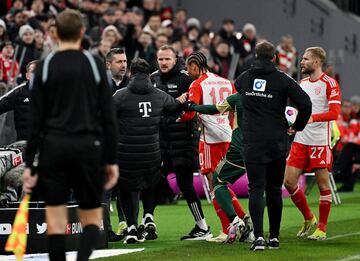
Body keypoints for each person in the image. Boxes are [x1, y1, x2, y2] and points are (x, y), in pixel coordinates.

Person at [22, 10, 119, 261]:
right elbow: (109, 116)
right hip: (88, 147)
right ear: (82, 33)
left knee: (55, 222)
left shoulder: (43, 68)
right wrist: (111, 159)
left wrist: (30, 163)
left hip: (53, 148)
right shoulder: (94, 65)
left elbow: (35, 121)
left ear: (54, 34)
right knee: (91, 218)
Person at [234, 40, 311, 251]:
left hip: (252, 142)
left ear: (255, 57)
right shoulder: (283, 79)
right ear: (275, 58)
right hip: (277, 142)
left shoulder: (244, 78)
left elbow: (237, 87)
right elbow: (305, 104)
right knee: (274, 189)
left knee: (256, 189)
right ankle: (274, 238)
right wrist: (297, 126)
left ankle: (258, 238)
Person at [113, 58, 187, 243]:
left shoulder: (120, 95)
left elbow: (104, 116)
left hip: (126, 154)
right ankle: (148, 217)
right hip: (152, 152)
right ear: (148, 73)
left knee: (126, 189)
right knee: (150, 183)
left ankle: (131, 227)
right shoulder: (158, 94)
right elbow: (175, 107)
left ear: (131, 73)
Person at [181, 51, 245, 242]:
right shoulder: (227, 82)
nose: (187, 71)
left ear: (194, 66)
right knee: (222, 182)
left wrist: (178, 117)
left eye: (188, 67)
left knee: (214, 184)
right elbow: (235, 109)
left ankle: (228, 228)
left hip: (210, 139)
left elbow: (191, 112)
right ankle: (242, 221)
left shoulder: (197, 84)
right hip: (228, 134)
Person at [150, 45, 212, 240]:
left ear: (175, 60)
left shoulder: (186, 79)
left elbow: (191, 107)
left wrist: (173, 105)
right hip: (161, 140)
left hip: (183, 140)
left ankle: (202, 226)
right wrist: (174, 101)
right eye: (160, 59)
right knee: (152, 180)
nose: (164, 63)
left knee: (185, 185)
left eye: (167, 59)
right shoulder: (153, 79)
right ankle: (147, 221)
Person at [284, 47, 342, 240]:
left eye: (306, 59)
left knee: (323, 184)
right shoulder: (302, 83)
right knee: (289, 182)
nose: (302, 62)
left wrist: (311, 119)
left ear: (317, 62)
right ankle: (309, 217)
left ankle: (322, 229)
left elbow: (334, 114)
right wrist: (295, 125)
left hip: (319, 141)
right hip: (301, 139)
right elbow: (301, 110)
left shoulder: (330, 83)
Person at [184, 92, 255, 244]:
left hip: (222, 142)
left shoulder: (237, 96)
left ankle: (230, 224)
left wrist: (192, 106)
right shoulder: (268, 95)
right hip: (262, 148)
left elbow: (213, 109)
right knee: (260, 188)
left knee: (216, 181)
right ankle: (256, 231)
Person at [0, 60, 36, 140]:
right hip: (25, 143)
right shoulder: (19, 92)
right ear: (27, 76)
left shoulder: (53, 92)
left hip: (48, 145)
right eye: (33, 71)